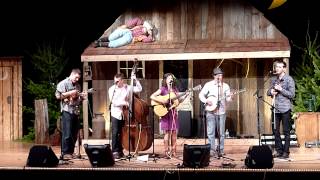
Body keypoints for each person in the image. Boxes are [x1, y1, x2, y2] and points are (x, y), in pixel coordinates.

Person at [150, 73, 189, 158]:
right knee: (167, 133)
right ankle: (166, 151)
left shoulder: (174, 90)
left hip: (173, 113)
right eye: (169, 78)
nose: (170, 80)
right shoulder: (162, 89)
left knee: (174, 132)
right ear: (165, 80)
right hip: (165, 113)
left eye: (171, 78)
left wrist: (185, 96)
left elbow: (178, 101)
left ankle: (174, 151)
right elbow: (152, 96)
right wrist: (162, 101)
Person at [198, 67, 233, 157]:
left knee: (221, 133)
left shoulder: (225, 86)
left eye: (221, 75)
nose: (219, 77)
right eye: (218, 75)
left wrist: (231, 97)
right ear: (214, 76)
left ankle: (221, 150)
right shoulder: (208, 85)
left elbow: (228, 99)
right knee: (210, 132)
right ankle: (212, 151)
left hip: (221, 112)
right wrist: (206, 101)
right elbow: (201, 94)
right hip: (210, 111)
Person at [108, 72, 142, 159]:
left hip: (125, 113)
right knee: (115, 132)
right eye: (115, 81)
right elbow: (114, 102)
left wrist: (135, 79)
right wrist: (124, 102)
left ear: (122, 80)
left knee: (122, 133)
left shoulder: (127, 87)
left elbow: (139, 89)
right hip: (115, 113)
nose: (116, 83)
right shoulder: (112, 89)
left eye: (117, 81)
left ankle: (121, 150)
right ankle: (115, 151)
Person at [55, 68, 87, 160]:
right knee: (67, 132)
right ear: (72, 74)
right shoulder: (63, 83)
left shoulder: (78, 85)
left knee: (74, 132)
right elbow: (58, 96)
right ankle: (65, 152)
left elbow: (78, 99)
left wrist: (82, 97)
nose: (77, 80)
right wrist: (70, 93)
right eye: (76, 78)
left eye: (78, 78)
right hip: (67, 110)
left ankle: (71, 152)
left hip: (76, 111)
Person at [267, 60, 295, 159]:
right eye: (276, 67)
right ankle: (279, 150)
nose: (277, 68)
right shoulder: (274, 79)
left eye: (280, 67)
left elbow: (292, 94)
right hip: (275, 108)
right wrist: (271, 91)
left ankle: (286, 152)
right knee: (275, 131)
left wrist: (281, 90)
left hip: (285, 108)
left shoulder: (289, 79)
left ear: (284, 68)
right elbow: (268, 92)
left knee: (286, 131)